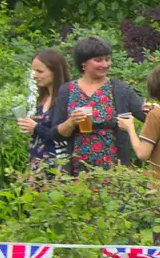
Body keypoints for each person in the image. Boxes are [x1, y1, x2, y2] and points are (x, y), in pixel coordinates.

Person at [55, 36, 145, 171]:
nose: (105, 64)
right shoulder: (67, 90)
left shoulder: (120, 90)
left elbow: (146, 116)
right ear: (83, 63)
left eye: (107, 59)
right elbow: (56, 133)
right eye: (98, 60)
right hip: (76, 168)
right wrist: (71, 122)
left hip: (112, 168)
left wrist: (157, 110)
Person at [18, 49, 70, 170]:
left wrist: (36, 127)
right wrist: (31, 127)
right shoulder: (42, 98)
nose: (35, 75)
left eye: (39, 71)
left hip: (56, 166)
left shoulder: (66, 99)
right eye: (34, 71)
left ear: (55, 71)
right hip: (36, 163)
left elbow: (63, 135)